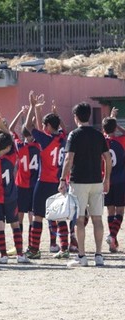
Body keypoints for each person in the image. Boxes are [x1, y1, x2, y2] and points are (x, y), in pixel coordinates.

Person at [58, 102, 112, 267]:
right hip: (96, 181)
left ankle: (82, 256)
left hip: (78, 182)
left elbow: (69, 159)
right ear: (89, 116)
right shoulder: (98, 135)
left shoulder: (74, 135)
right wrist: (107, 178)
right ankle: (99, 255)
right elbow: (108, 158)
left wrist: (62, 179)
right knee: (97, 219)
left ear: (76, 117)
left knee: (79, 220)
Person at [24, 91, 67, 259]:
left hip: (44, 182)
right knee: (60, 216)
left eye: (45, 125)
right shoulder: (63, 138)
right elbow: (63, 127)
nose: (43, 127)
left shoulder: (46, 139)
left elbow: (29, 127)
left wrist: (33, 107)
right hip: (58, 182)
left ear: (48, 126)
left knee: (38, 216)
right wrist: (55, 115)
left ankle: (34, 250)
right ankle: (64, 249)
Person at [0, 111, 30, 264]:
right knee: (14, 223)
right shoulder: (12, 158)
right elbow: (12, 139)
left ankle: (3, 255)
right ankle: (20, 255)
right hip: (10, 196)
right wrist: (2, 127)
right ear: (8, 147)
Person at [6, 106, 40, 256]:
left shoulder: (19, 145)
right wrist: (34, 116)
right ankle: (33, 246)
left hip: (21, 185)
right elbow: (38, 129)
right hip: (35, 185)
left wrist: (20, 113)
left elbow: (9, 130)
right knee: (33, 215)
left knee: (19, 215)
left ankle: (17, 246)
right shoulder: (39, 145)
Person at [101, 107, 125, 253]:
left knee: (110, 211)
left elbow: (106, 132)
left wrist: (110, 120)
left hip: (106, 181)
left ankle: (112, 243)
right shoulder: (121, 141)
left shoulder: (101, 142)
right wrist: (115, 122)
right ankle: (112, 236)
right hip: (121, 180)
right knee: (120, 211)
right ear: (115, 128)